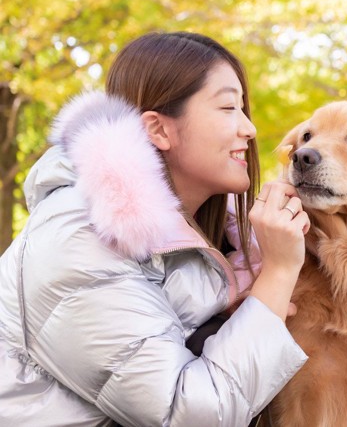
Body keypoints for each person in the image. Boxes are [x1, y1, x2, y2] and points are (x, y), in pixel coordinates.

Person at [0, 31, 311, 426]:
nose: (249, 129)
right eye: (229, 107)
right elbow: (188, 414)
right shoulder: (83, 235)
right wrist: (278, 276)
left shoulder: (215, 240)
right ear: (159, 130)